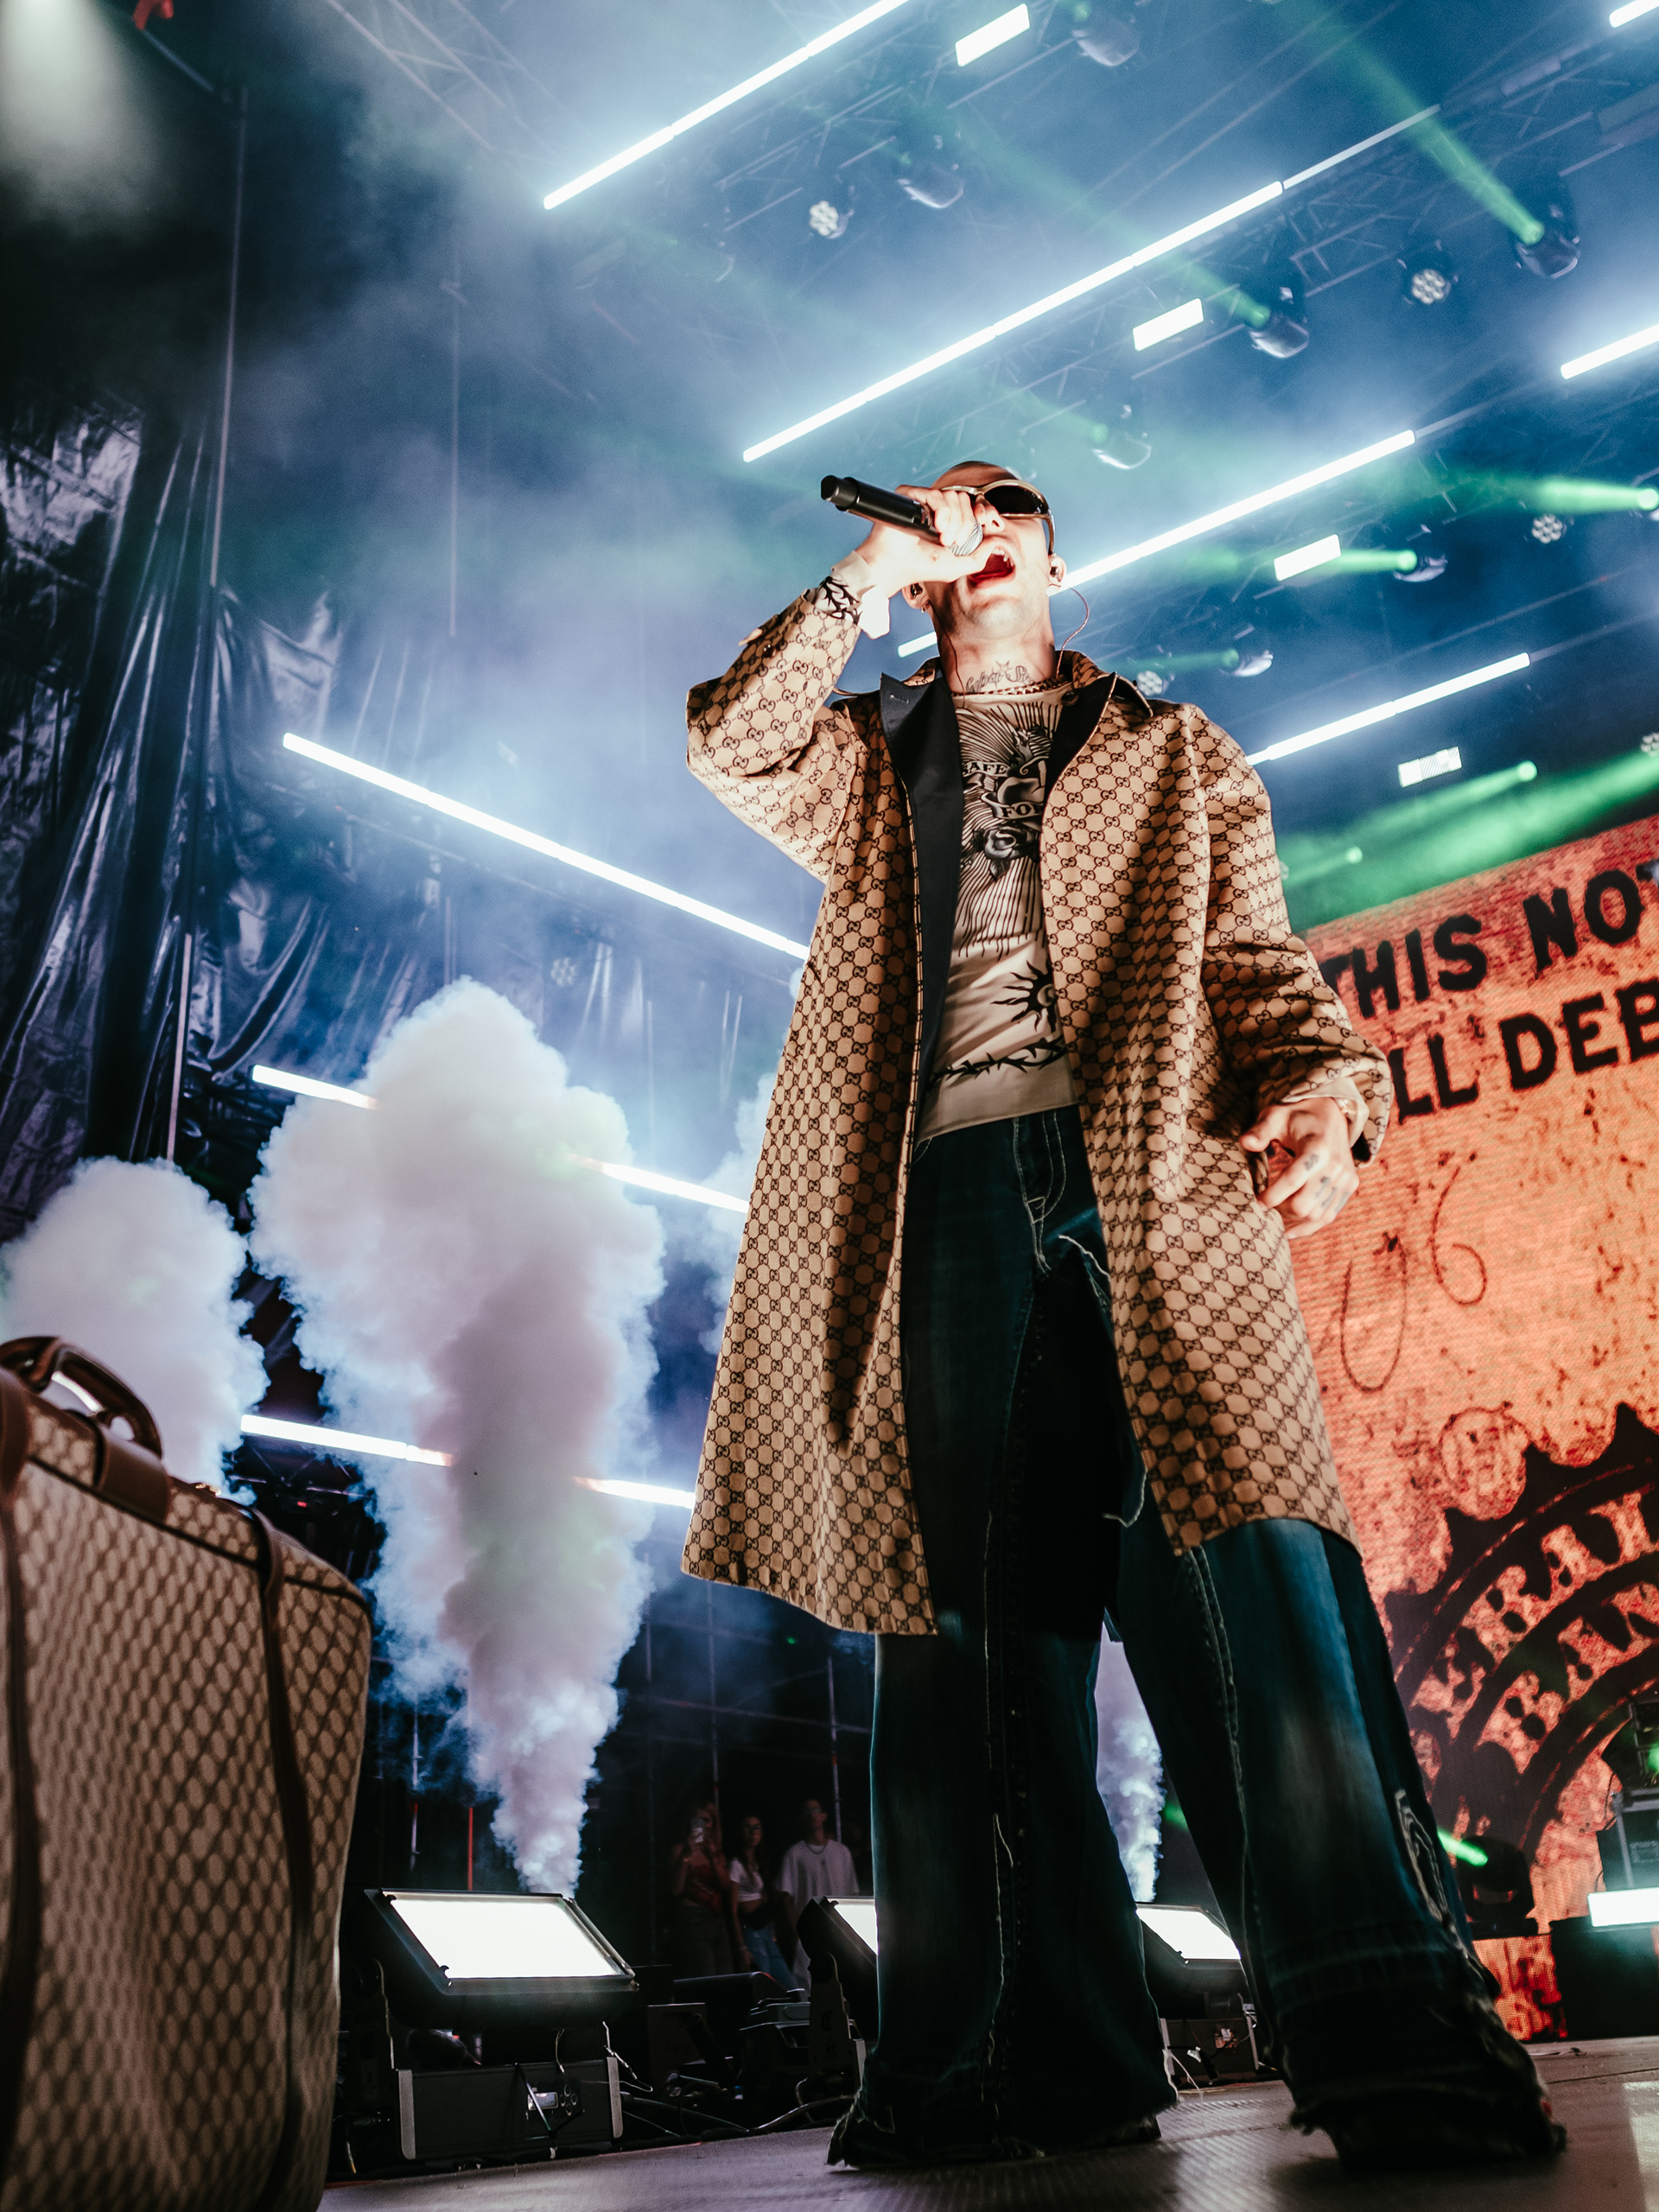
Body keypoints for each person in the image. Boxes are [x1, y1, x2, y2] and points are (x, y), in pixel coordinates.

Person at [679, 461, 1566, 2171]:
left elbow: (1264, 970)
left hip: (1158, 1171)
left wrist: (1329, 1100)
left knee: (1252, 1582)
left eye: (1004, 502)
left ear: (1057, 553)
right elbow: (731, 741)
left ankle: (1396, 2040)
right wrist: (866, 571)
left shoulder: (1175, 751)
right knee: (967, 1632)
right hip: (936, 1194)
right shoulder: (867, 753)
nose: (975, 523)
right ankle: (1014, 2060)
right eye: (945, 511)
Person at [777, 1797, 861, 1984]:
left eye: (816, 1811)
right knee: (811, 1985)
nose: (812, 1816)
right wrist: (796, 1934)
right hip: (809, 1934)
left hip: (840, 1931)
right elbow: (786, 1897)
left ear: (824, 1816)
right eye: (807, 1812)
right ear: (801, 1819)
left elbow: (853, 1893)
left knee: (844, 1983)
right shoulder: (794, 1854)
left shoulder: (842, 1852)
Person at [667, 1797, 746, 1979]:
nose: (703, 1825)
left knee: (726, 1978)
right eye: (698, 1820)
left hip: (717, 1920)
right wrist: (687, 1855)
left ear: (713, 1823)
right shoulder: (679, 1850)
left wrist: (712, 1858)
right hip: (693, 1919)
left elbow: (725, 1886)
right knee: (706, 1977)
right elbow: (675, 1890)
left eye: (707, 1820)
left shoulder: (716, 1852)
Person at [728, 1812, 798, 1986]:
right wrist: (741, 1947)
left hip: (766, 1929)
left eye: (757, 1827)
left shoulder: (759, 1862)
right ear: (740, 1832)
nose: (753, 1832)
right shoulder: (736, 1865)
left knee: (788, 1983)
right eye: (748, 1827)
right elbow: (732, 1910)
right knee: (765, 1985)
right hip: (752, 1930)